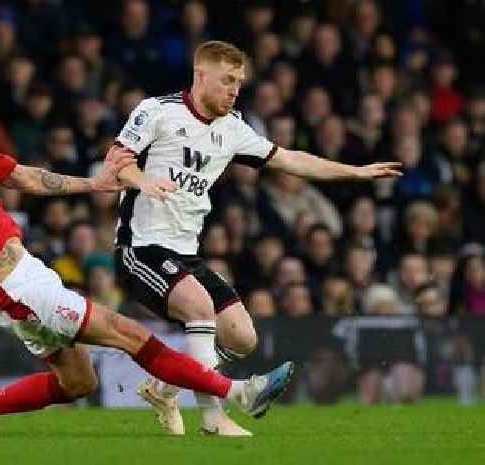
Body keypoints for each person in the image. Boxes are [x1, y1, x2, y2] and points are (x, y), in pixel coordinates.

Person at [0, 82, 294, 438]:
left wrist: (95, 185)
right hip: (11, 287)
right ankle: (239, 391)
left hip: (27, 274)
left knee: (78, 384)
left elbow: (28, 178)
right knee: (128, 333)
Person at [112, 40, 402, 436]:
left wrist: (354, 171)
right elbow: (117, 163)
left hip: (186, 254)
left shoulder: (232, 128)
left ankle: (165, 387)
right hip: (141, 247)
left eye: (240, 82)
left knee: (242, 337)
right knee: (199, 310)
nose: (235, 89)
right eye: (227, 80)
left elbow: (291, 160)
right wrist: (143, 181)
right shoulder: (156, 111)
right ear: (201, 75)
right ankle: (213, 419)